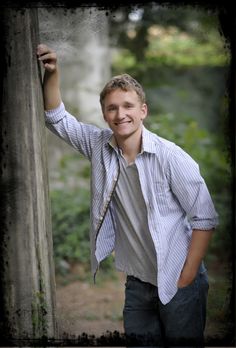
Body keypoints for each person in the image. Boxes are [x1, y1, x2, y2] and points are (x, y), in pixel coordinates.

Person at [37, 43, 219, 347]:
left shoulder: (171, 157)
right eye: (112, 108)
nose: (120, 114)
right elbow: (56, 118)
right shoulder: (99, 146)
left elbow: (205, 217)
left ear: (143, 110)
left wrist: (186, 277)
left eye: (128, 106)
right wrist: (53, 71)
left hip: (178, 279)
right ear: (105, 115)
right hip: (137, 282)